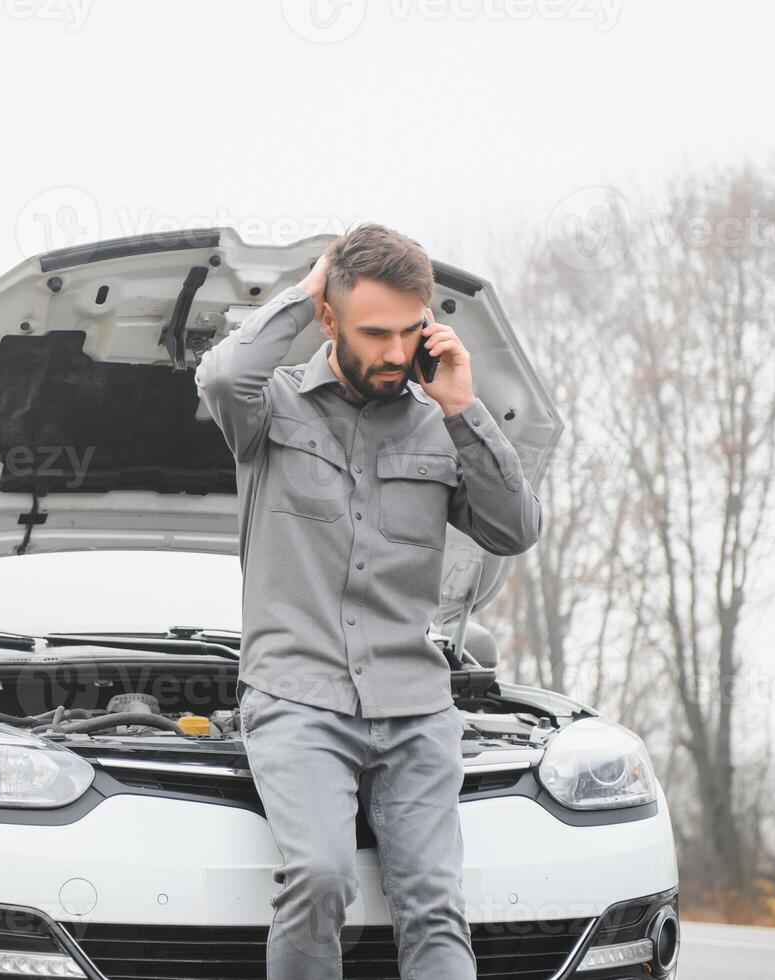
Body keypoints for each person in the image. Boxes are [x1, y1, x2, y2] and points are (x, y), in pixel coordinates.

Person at [193, 223, 543, 979]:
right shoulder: (268, 412)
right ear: (329, 318)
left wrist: (463, 409)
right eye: (373, 331)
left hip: (414, 704)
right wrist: (303, 290)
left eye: (408, 331)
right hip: (297, 697)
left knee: (434, 903)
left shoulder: (439, 424)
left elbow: (514, 530)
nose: (393, 351)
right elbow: (221, 377)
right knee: (319, 877)